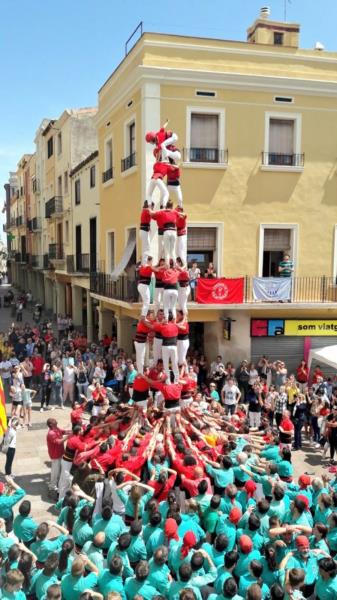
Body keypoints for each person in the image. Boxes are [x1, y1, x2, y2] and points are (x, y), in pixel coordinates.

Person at [46, 418, 69, 494]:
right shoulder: (51, 433)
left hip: (60, 453)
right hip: (55, 455)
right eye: (54, 421)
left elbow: (63, 432)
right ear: (51, 424)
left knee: (58, 470)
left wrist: (71, 431)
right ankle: (52, 485)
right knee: (55, 471)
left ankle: (56, 483)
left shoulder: (56, 428)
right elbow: (59, 442)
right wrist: (68, 436)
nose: (56, 421)